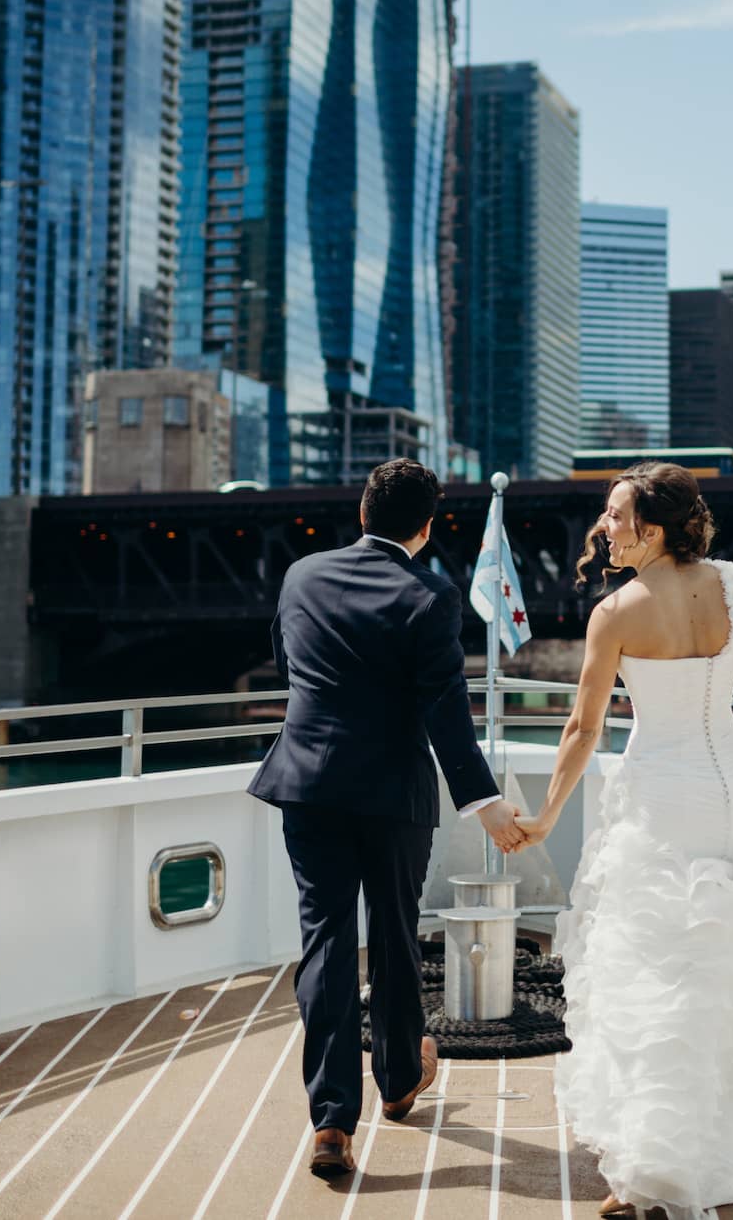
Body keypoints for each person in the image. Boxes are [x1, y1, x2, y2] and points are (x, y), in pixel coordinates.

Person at [514, 462, 733, 1218]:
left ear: (653, 528)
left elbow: (582, 729)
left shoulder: (618, 612)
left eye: (615, 514)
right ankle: (722, 1135)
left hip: (664, 794)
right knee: (714, 960)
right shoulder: (732, 587)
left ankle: (659, 1166)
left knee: (656, 969)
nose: (605, 526)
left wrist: (545, 817)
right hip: (731, 782)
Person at [249, 458, 527, 1179]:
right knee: (396, 935)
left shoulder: (301, 575)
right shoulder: (430, 595)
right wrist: (485, 802)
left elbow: (287, 662)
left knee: (327, 941)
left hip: (307, 784)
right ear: (426, 528)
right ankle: (401, 1079)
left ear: (363, 512)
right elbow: (444, 711)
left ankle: (332, 1120)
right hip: (392, 794)